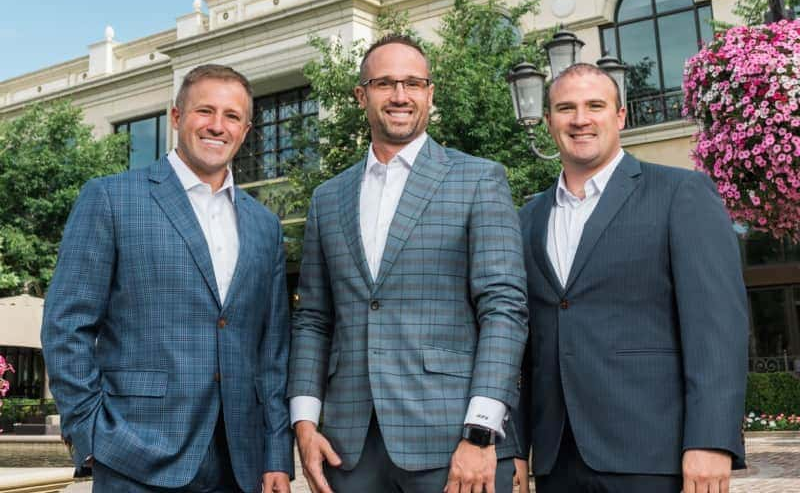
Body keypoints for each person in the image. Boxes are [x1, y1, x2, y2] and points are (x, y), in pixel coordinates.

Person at [289, 35, 528, 493]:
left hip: (453, 442)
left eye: (413, 83)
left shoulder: (478, 179)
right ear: (361, 95)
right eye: (384, 83)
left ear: (430, 93)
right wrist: (305, 422)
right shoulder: (328, 197)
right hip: (348, 449)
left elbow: (503, 309)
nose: (400, 95)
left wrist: (481, 431)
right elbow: (314, 319)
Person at [42, 64, 292, 493]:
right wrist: (89, 432)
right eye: (205, 111)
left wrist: (276, 453)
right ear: (176, 117)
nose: (217, 126)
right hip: (135, 453)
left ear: (246, 130)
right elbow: (67, 324)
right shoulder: (111, 198)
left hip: (240, 464)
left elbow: (271, 351)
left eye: (231, 116)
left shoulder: (265, 225)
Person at [513, 63, 748, 493]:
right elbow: (521, 345)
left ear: (620, 117)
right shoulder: (527, 218)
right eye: (565, 108)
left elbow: (718, 329)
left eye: (595, 106)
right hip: (556, 460)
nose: (580, 119)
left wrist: (712, 439)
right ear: (549, 122)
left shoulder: (681, 194)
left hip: (653, 454)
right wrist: (514, 445)